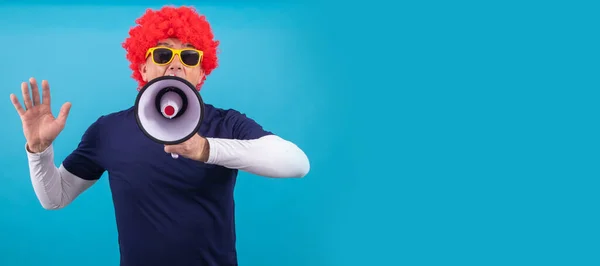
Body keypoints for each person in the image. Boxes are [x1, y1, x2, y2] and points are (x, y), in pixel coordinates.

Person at [9, 5, 310, 266]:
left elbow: (297, 164)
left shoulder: (226, 124)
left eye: (190, 57)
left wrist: (207, 149)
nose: (177, 63)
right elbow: (55, 198)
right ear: (143, 66)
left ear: (202, 73)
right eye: (164, 53)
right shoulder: (108, 130)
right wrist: (38, 150)